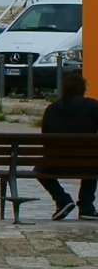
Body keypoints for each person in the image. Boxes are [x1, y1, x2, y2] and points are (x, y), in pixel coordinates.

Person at [38, 69, 98, 219]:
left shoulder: (51, 110)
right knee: (94, 162)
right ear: (82, 89)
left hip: (56, 163)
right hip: (88, 164)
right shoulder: (92, 107)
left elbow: (45, 139)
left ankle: (62, 199)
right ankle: (86, 206)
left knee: (39, 169)